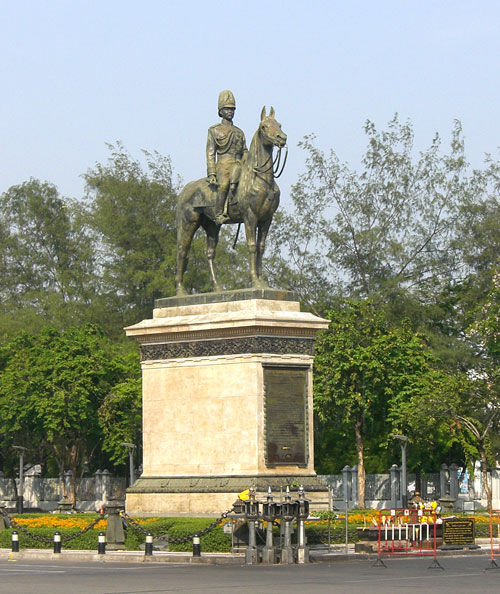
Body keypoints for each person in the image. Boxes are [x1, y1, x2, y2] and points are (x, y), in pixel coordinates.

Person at [206, 90, 248, 225]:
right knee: (224, 184)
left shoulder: (239, 132)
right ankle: (219, 213)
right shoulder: (214, 130)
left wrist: (246, 159)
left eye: (232, 109)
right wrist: (212, 173)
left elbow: (245, 150)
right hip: (223, 165)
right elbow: (210, 153)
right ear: (221, 111)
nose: (230, 111)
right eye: (227, 109)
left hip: (239, 164)